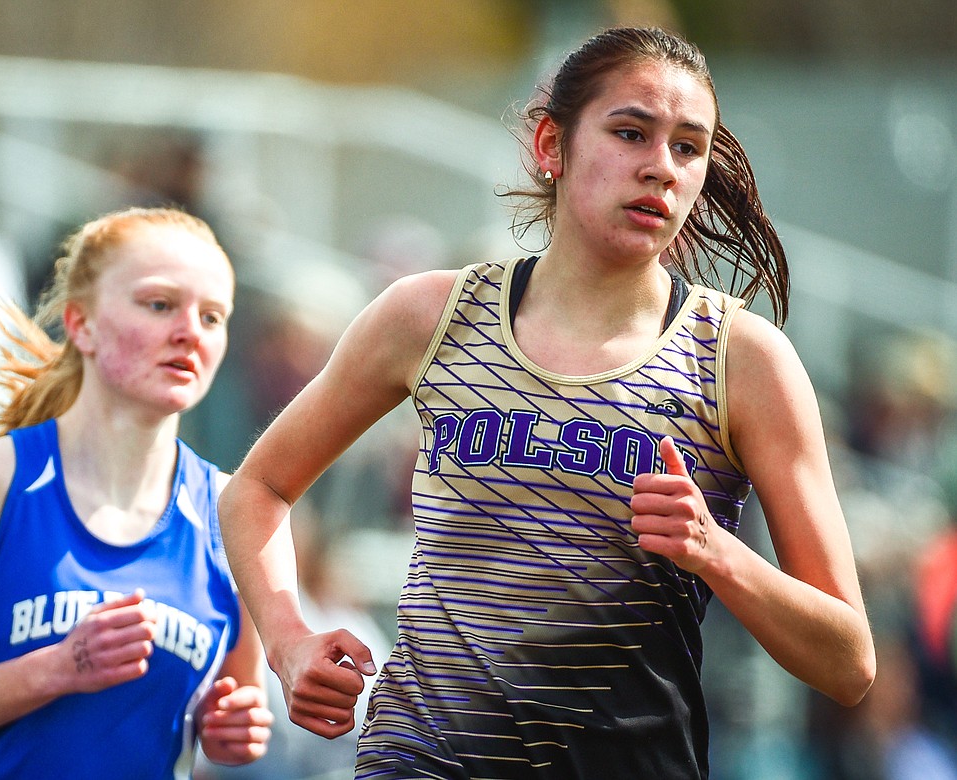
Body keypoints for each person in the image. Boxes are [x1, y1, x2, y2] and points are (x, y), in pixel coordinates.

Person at [217, 25, 876, 779]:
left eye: (688, 147)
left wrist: (715, 551)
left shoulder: (742, 359)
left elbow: (849, 662)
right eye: (631, 132)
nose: (660, 167)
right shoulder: (430, 316)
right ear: (551, 147)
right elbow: (257, 490)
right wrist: (288, 639)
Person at [0, 207, 273, 779]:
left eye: (212, 316)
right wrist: (57, 669)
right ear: (81, 324)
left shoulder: (236, 514)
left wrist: (233, 732)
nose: (188, 332)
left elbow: (231, 717)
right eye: (159, 304)